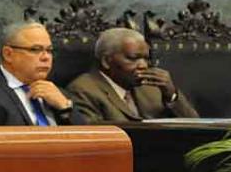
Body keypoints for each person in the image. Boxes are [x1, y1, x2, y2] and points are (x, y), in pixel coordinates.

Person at [0, 22, 84, 126]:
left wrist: (65, 107)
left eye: (49, 50)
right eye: (36, 50)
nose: (46, 57)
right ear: (8, 54)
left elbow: (90, 143)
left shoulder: (56, 93)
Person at [67, 28, 199, 122]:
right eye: (133, 58)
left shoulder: (152, 87)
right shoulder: (83, 89)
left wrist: (171, 95)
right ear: (106, 61)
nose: (143, 65)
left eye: (146, 58)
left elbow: (197, 128)